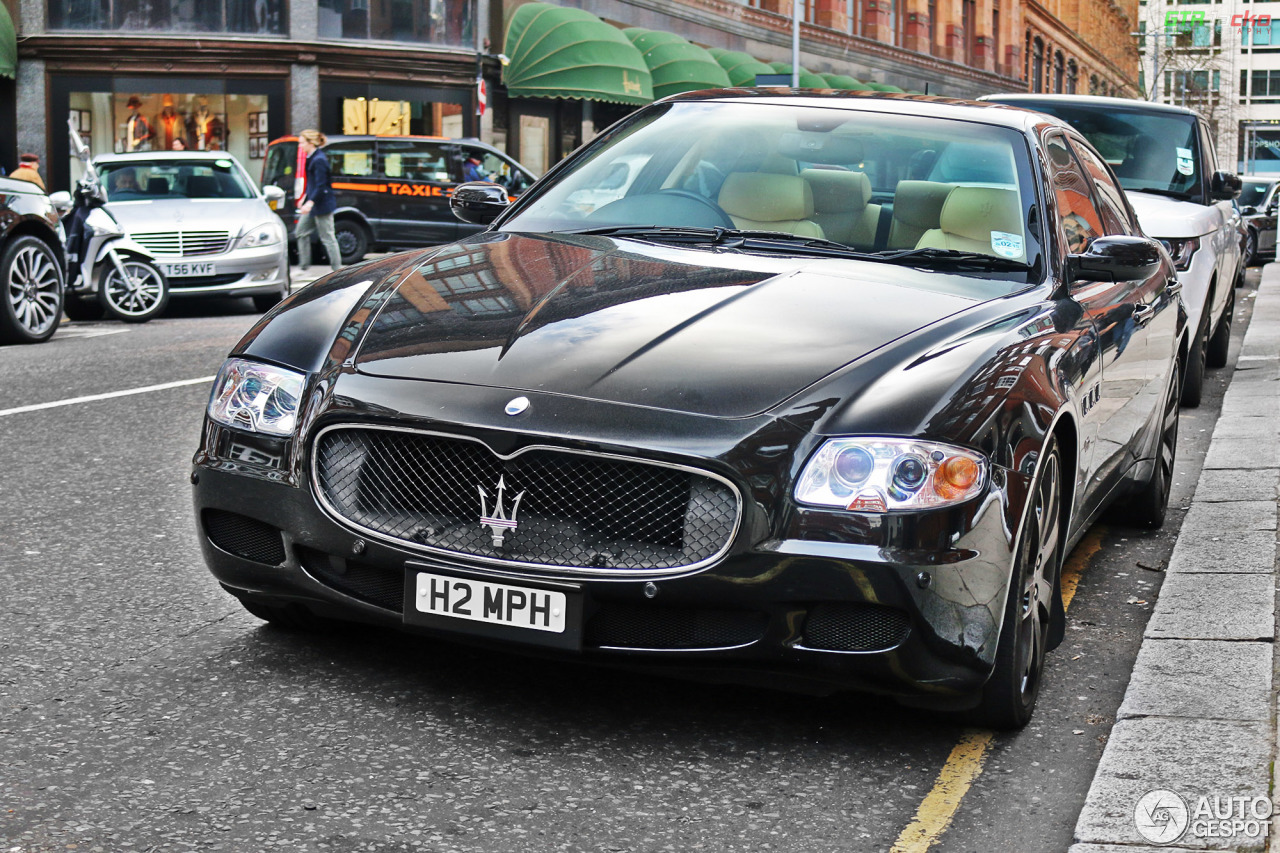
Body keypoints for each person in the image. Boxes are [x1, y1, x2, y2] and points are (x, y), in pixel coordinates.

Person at [295, 129, 341, 274]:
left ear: (311, 143)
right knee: (301, 232)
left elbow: (321, 186)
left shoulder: (319, 160)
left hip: (322, 205)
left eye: (302, 143)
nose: (300, 146)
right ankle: (304, 265)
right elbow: (313, 184)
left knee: (327, 237)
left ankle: (337, 269)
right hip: (315, 203)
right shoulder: (313, 158)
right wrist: (305, 198)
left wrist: (310, 202)